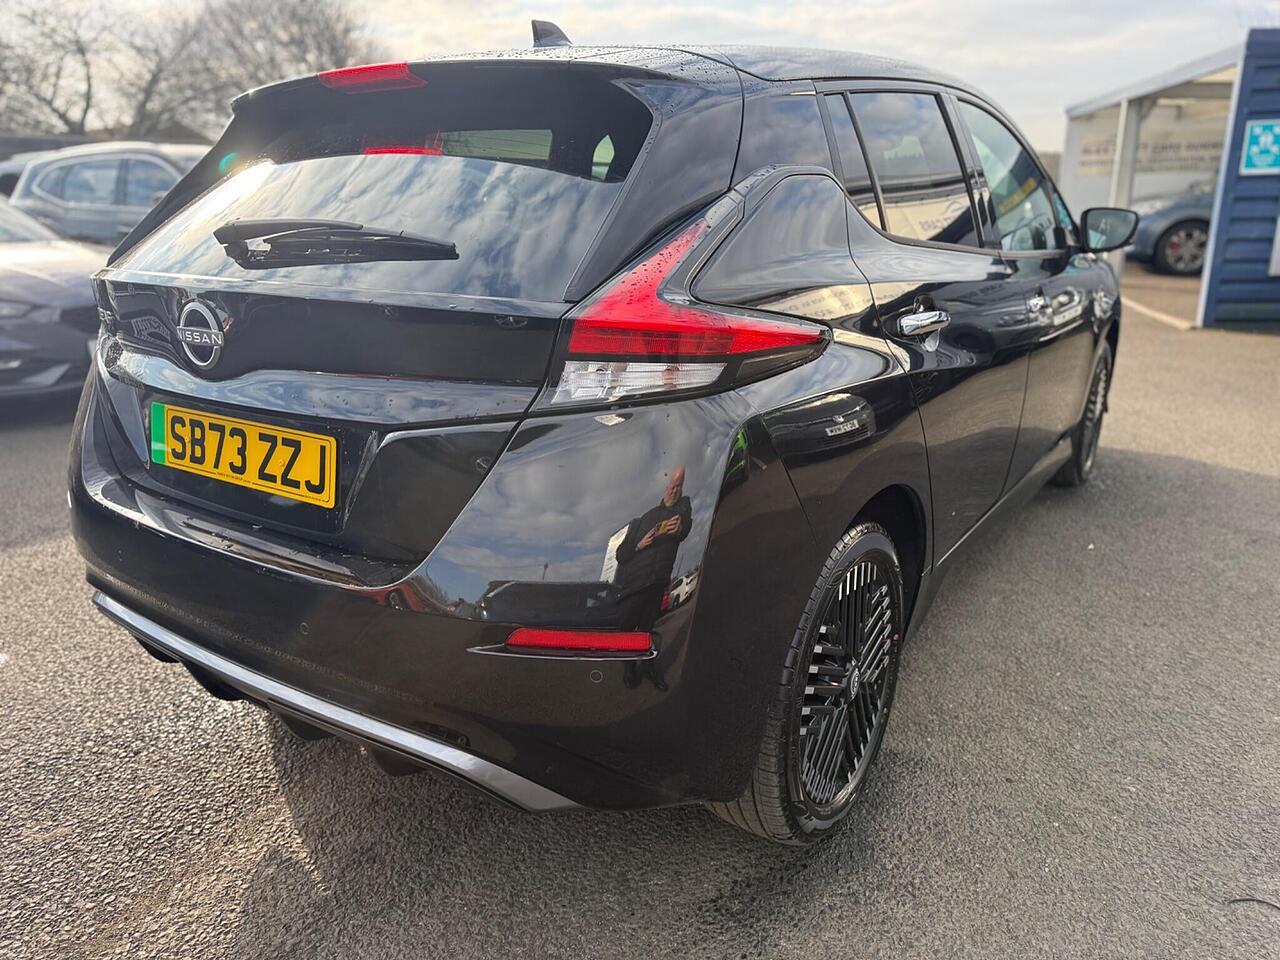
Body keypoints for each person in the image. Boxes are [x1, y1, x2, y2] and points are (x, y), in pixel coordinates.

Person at [613, 467, 692, 631]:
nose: (674, 491)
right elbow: (620, 555)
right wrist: (639, 545)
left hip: (657, 587)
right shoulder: (642, 520)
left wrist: (681, 527)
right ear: (666, 488)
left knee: (646, 635)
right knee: (623, 635)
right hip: (634, 588)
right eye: (672, 487)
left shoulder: (681, 510)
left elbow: (685, 522)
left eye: (678, 487)